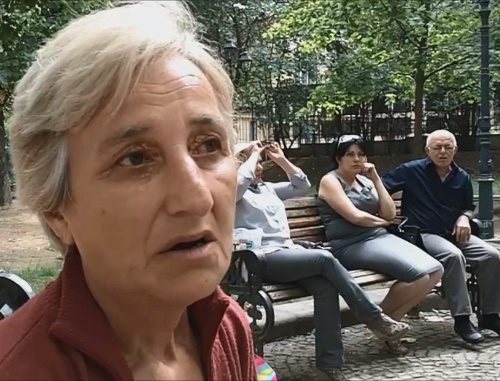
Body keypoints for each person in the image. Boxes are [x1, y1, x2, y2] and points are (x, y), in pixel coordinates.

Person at [0, 2, 258, 380]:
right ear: (56, 210)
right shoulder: (24, 368)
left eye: (207, 145)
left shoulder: (224, 326)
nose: (197, 197)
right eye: (136, 159)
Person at [235, 141, 410, 381]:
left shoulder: (268, 188)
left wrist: (281, 160)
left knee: (325, 288)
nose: (257, 165)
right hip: (260, 260)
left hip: (287, 255)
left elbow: (302, 184)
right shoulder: (233, 191)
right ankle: (375, 318)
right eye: (248, 160)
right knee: (324, 258)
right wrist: (253, 154)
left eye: (258, 161)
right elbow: (239, 182)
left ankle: (329, 365)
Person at [316, 134, 443, 355]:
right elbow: (356, 217)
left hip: (378, 238)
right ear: (338, 158)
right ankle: (380, 322)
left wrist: (376, 179)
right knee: (418, 275)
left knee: (436, 270)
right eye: (350, 155)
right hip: (349, 244)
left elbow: (390, 212)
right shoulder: (330, 180)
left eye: (361, 154)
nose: (357, 159)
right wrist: (383, 222)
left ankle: (386, 323)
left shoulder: (365, 181)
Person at [382, 129, 500, 344]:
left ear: (455, 150)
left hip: (454, 232)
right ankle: (462, 319)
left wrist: (464, 217)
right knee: (453, 256)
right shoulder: (410, 171)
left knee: (491, 255)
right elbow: (380, 188)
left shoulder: (462, 176)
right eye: (437, 147)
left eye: (448, 147)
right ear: (428, 150)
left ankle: (490, 315)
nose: (443, 152)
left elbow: (467, 206)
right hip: (424, 234)